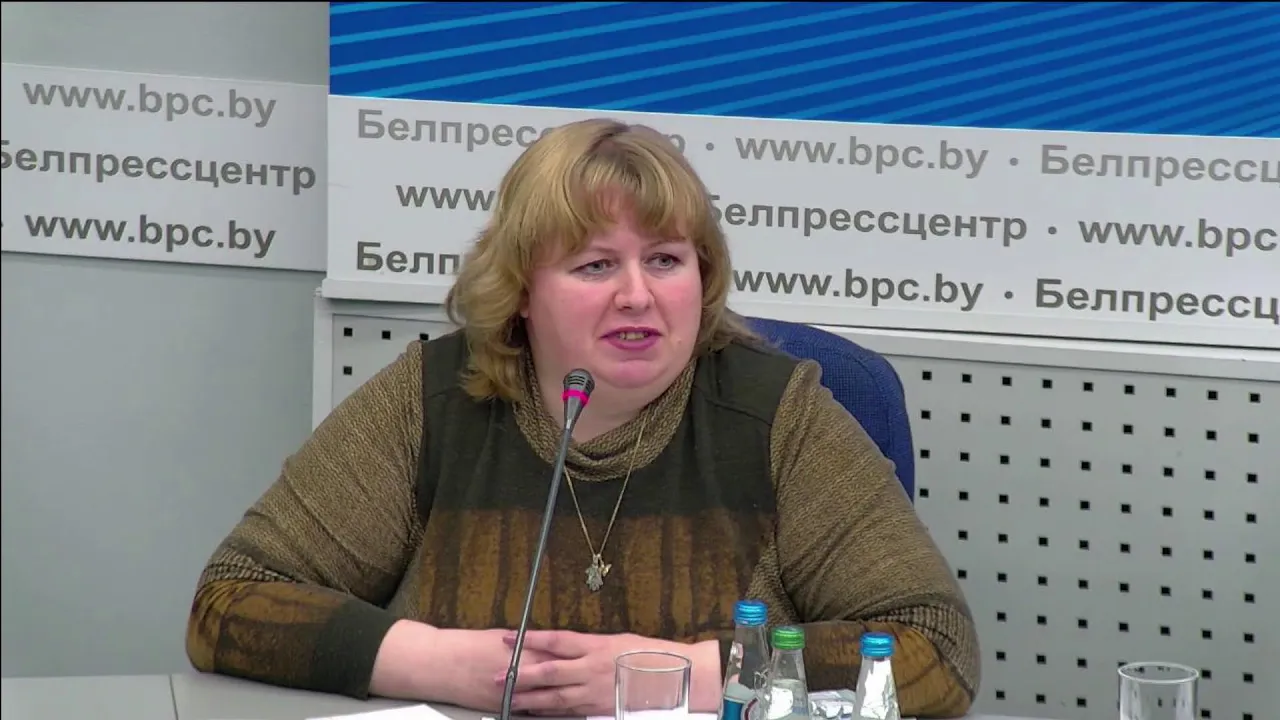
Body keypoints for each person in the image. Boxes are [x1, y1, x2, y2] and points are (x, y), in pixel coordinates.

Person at [185, 118, 981, 717]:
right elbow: (233, 601)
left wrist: (681, 674)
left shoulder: (779, 415)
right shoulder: (430, 400)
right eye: (596, 265)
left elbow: (934, 646)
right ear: (521, 294)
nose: (637, 294)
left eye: (664, 260)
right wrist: (446, 664)